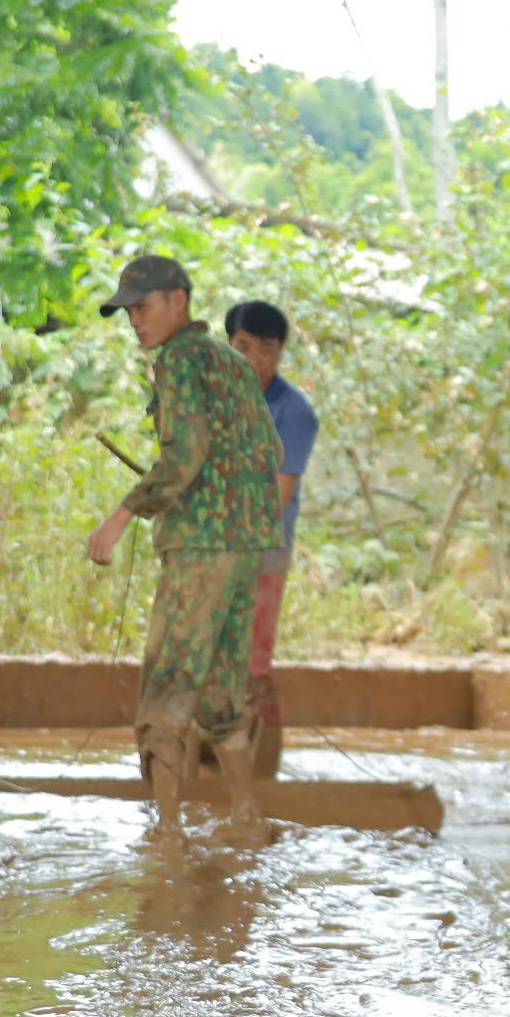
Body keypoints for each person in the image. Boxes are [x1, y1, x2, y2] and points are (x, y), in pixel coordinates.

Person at [85, 255, 283, 833]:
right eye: (127, 312)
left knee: (168, 684)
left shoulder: (176, 362)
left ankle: (165, 832)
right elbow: (268, 454)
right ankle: (246, 815)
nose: (135, 322)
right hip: (248, 549)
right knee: (222, 690)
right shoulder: (234, 362)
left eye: (142, 308)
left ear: (178, 300)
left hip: (199, 551)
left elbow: (184, 455)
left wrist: (120, 516)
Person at [223, 298, 317, 781]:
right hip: (214, 551)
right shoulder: (215, 402)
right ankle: (214, 763)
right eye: (243, 348)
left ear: (279, 353)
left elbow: (278, 495)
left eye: (266, 349)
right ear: (228, 347)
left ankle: (263, 771)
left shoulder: (294, 412)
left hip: (262, 551)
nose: (254, 360)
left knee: (253, 662)